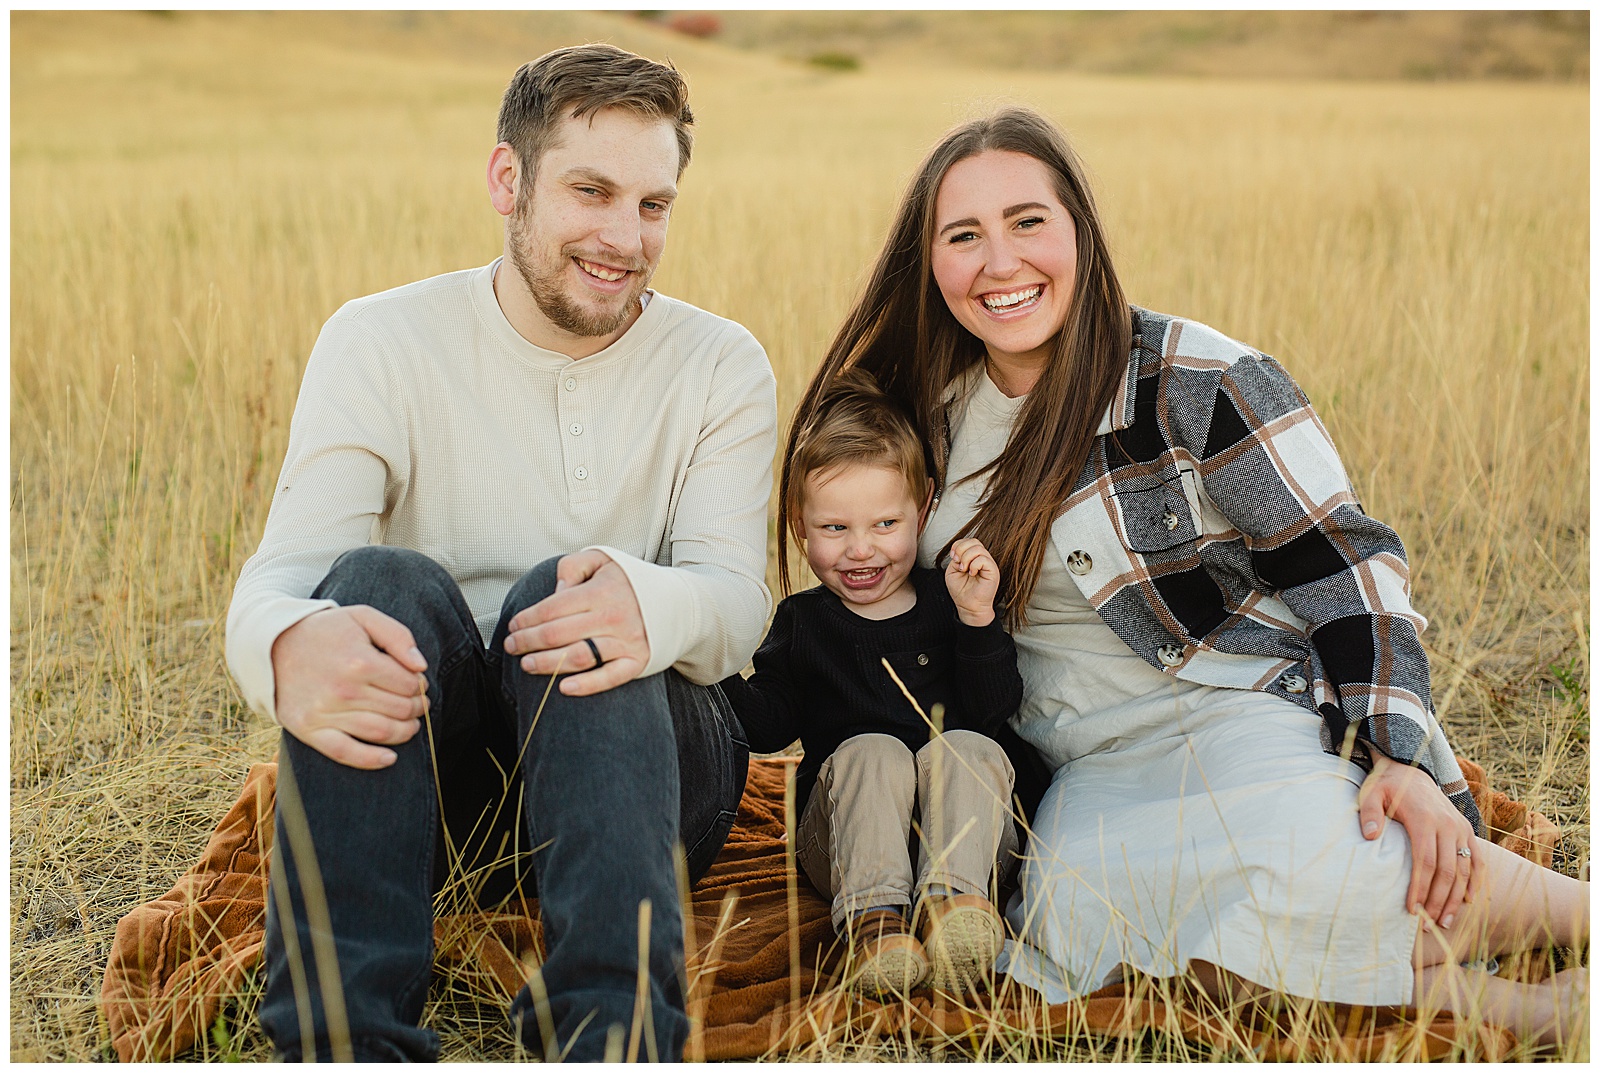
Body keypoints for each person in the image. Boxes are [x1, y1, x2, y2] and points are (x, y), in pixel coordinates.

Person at [784, 107, 1588, 1044]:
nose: (1000, 263)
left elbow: (1346, 561)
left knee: (1328, 857)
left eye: (1028, 222)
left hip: (1231, 706)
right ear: (931, 263)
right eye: (964, 236)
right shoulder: (922, 412)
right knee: (1077, 925)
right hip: (1083, 764)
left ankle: (1560, 946)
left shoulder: (1196, 376)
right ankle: (1508, 1006)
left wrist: (1397, 747)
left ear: (1081, 229)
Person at [224, 45, 776, 1062]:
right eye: (591, 191)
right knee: (372, 589)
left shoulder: (720, 362)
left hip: (647, 769)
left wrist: (645, 603)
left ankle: (610, 1037)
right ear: (506, 181)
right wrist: (288, 644)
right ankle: (345, 1039)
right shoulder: (379, 339)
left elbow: (738, 596)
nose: (625, 236)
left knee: (575, 595)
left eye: (653, 204)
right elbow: (279, 579)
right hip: (438, 796)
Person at [719, 370, 1046, 995]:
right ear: (798, 525)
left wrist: (978, 622)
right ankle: (874, 925)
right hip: (843, 841)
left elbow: (994, 709)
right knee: (875, 750)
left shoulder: (948, 604)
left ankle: (954, 912)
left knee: (970, 748)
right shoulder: (803, 622)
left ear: (923, 509)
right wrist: (705, 659)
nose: (861, 551)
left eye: (885, 526)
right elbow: (767, 724)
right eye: (834, 528)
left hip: (964, 841)